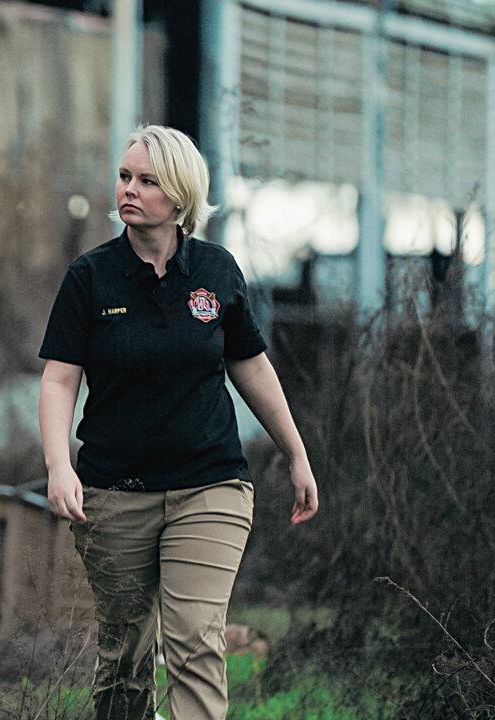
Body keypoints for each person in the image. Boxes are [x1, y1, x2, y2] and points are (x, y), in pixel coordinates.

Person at [37, 125, 318, 720]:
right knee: (125, 656)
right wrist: (60, 466)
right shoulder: (90, 277)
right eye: (124, 177)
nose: (128, 190)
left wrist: (296, 454)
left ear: (181, 194)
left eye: (147, 181)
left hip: (210, 485)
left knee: (194, 642)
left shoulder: (216, 271)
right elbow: (60, 379)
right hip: (114, 492)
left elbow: (250, 365)